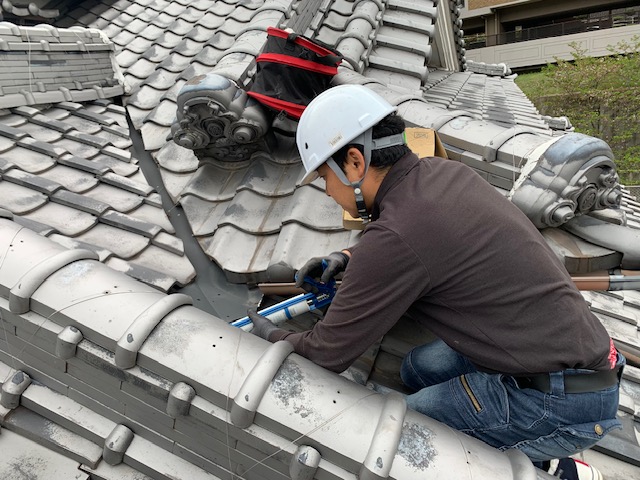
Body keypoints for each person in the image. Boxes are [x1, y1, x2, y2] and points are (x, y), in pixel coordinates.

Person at [248, 84, 623, 480]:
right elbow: (420, 242)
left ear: (354, 162)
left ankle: (550, 465)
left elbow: (326, 353)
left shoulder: (397, 236)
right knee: (417, 368)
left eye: (325, 177)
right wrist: (347, 257)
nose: (327, 191)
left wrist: (270, 336)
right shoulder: (443, 173)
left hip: (559, 402)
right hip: (571, 355)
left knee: (399, 433)